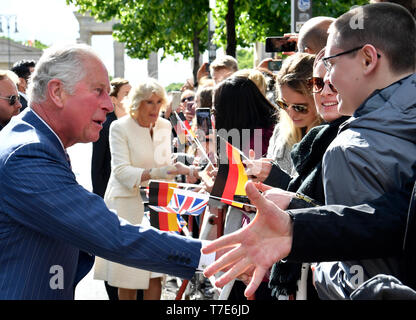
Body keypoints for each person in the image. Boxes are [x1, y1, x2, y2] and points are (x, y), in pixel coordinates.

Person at [203, 2, 416, 299]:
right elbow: (395, 220)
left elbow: (363, 281)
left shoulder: (352, 149)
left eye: (330, 63)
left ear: (368, 59)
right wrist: (299, 227)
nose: (325, 81)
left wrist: (321, 267)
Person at [0, 43, 214, 300]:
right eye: (98, 91)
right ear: (57, 92)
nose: (109, 105)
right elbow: (112, 235)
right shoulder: (28, 153)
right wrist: (217, 256)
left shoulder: (35, 141)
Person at [93, 78, 198, 300]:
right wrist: (160, 172)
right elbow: (122, 172)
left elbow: (164, 165)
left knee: (155, 273)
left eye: (159, 101)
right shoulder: (119, 127)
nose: (156, 107)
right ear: (137, 102)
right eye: (149, 102)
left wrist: (186, 168)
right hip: (125, 206)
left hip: (156, 204)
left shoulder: (164, 126)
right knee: (128, 275)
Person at [90, 77, 132, 300]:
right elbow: (98, 168)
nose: (131, 98)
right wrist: (100, 203)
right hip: (110, 200)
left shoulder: (134, 124)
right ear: (114, 99)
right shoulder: (105, 126)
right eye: (126, 94)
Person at [266, 53, 322, 175]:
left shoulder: (329, 138)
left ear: (319, 99)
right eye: (284, 104)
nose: (291, 114)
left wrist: (274, 177)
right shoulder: (281, 131)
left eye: (300, 107)